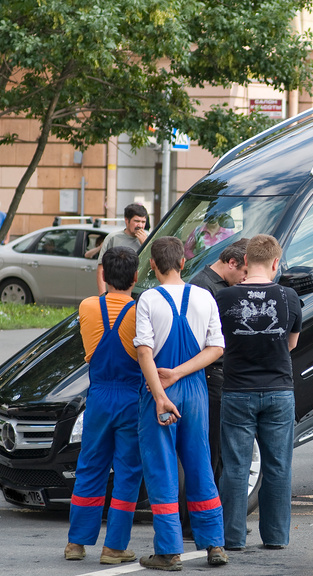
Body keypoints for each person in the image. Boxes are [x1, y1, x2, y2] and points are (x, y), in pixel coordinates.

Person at [133, 236, 227, 570]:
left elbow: (144, 350)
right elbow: (216, 348)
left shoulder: (148, 299)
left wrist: (160, 392)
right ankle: (215, 544)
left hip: (160, 392)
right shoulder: (204, 297)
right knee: (201, 464)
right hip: (196, 391)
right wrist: (180, 373)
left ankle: (169, 551)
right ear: (184, 262)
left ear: (153, 265)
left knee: (162, 469)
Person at [216, 234, 301, 551]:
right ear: (276, 263)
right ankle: (276, 537)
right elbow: (291, 345)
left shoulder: (224, 299)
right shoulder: (289, 296)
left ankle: (233, 538)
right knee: (278, 466)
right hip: (279, 391)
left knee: (236, 467)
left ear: (246, 261)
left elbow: (218, 342)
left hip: (238, 390)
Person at [65, 246, 144, 565]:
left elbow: (103, 303)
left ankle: (76, 543)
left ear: (103, 275)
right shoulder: (140, 311)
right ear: (136, 277)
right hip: (130, 397)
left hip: (98, 397)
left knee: (90, 466)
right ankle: (114, 547)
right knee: (127, 471)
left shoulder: (87, 307)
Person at [188, 238, 249, 486]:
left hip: (221, 374)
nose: (246, 279)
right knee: (212, 452)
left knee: (223, 452)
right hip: (211, 375)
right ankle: (201, 521)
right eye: (245, 272)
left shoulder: (221, 285)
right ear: (231, 262)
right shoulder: (204, 288)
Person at [96, 203, 148, 294]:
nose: (140, 225)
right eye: (136, 221)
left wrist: (146, 244)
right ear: (126, 220)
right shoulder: (113, 238)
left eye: (143, 222)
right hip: (115, 291)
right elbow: (101, 267)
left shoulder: (149, 238)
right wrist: (102, 294)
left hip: (141, 292)